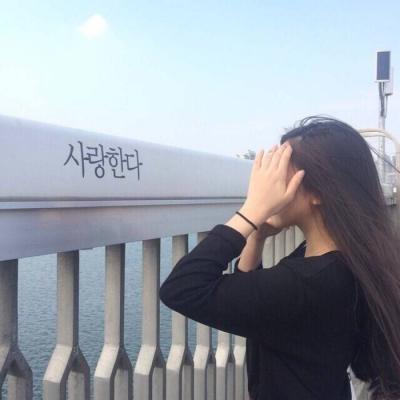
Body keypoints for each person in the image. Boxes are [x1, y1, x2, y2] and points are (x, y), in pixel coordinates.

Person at [159, 116, 400, 399]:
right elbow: (255, 306)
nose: (270, 185)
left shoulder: (308, 282)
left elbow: (181, 288)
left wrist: (251, 210)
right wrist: (256, 237)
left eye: (281, 171)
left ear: (318, 192)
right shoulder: (344, 258)